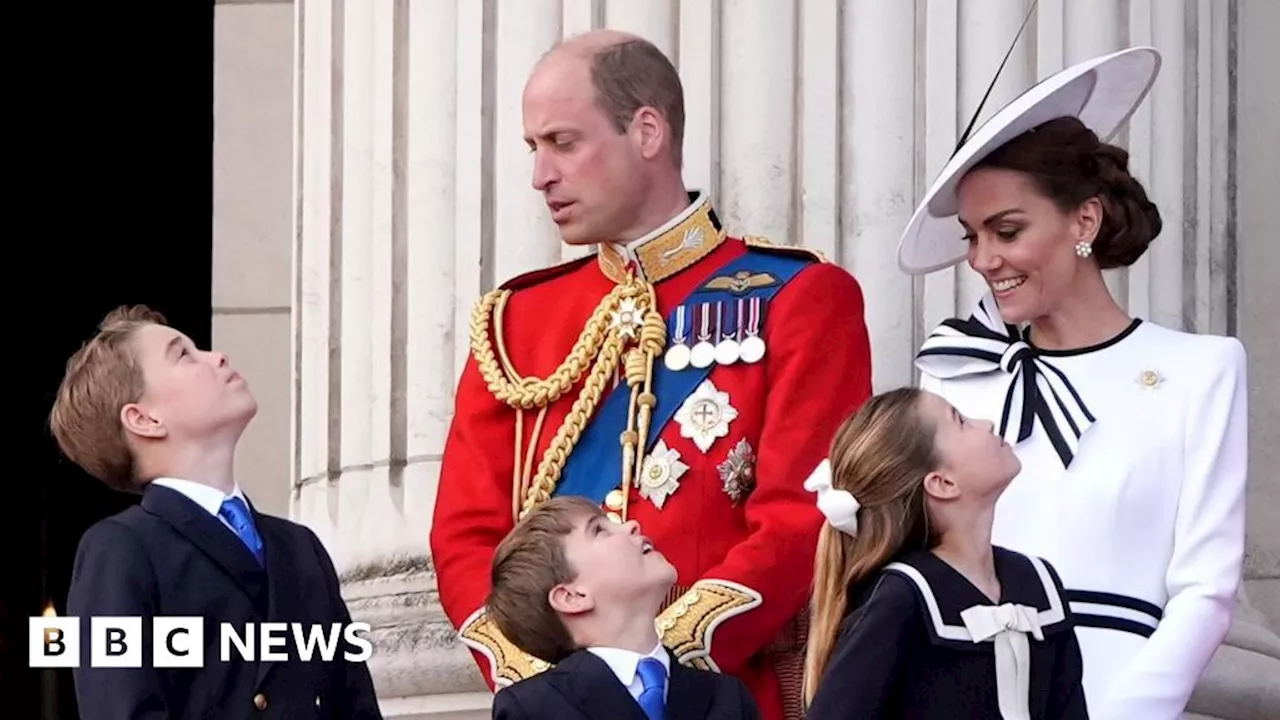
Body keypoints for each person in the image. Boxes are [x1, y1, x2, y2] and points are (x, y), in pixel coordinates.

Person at [429, 29, 873, 720]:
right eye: (533, 148)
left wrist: (651, 665)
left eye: (563, 142)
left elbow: (801, 518)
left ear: (646, 131)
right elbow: (466, 537)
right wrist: (555, 684)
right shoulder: (517, 321)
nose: (540, 175)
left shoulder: (799, 297)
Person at [899, 47, 1248, 719]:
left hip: (1121, 689)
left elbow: (1205, 591)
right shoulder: (955, 377)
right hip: (967, 691)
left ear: (1082, 222)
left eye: (1006, 230)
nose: (983, 259)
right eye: (972, 236)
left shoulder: (1203, 370)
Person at [50, 306, 382, 719]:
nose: (218, 356)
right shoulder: (119, 549)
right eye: (184, 355)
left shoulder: (300, 547)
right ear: (145, 419)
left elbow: (354, 706)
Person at [802, 388, 1088, 719]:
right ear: (942, 483)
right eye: (962, 422)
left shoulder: (1037, 584)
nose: (987, 423)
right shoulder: (902, 598)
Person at [485, 496, 760, 720]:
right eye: (599, 530)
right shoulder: (533, 708)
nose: (632, 526)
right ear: (572, 596)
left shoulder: (727, 696)